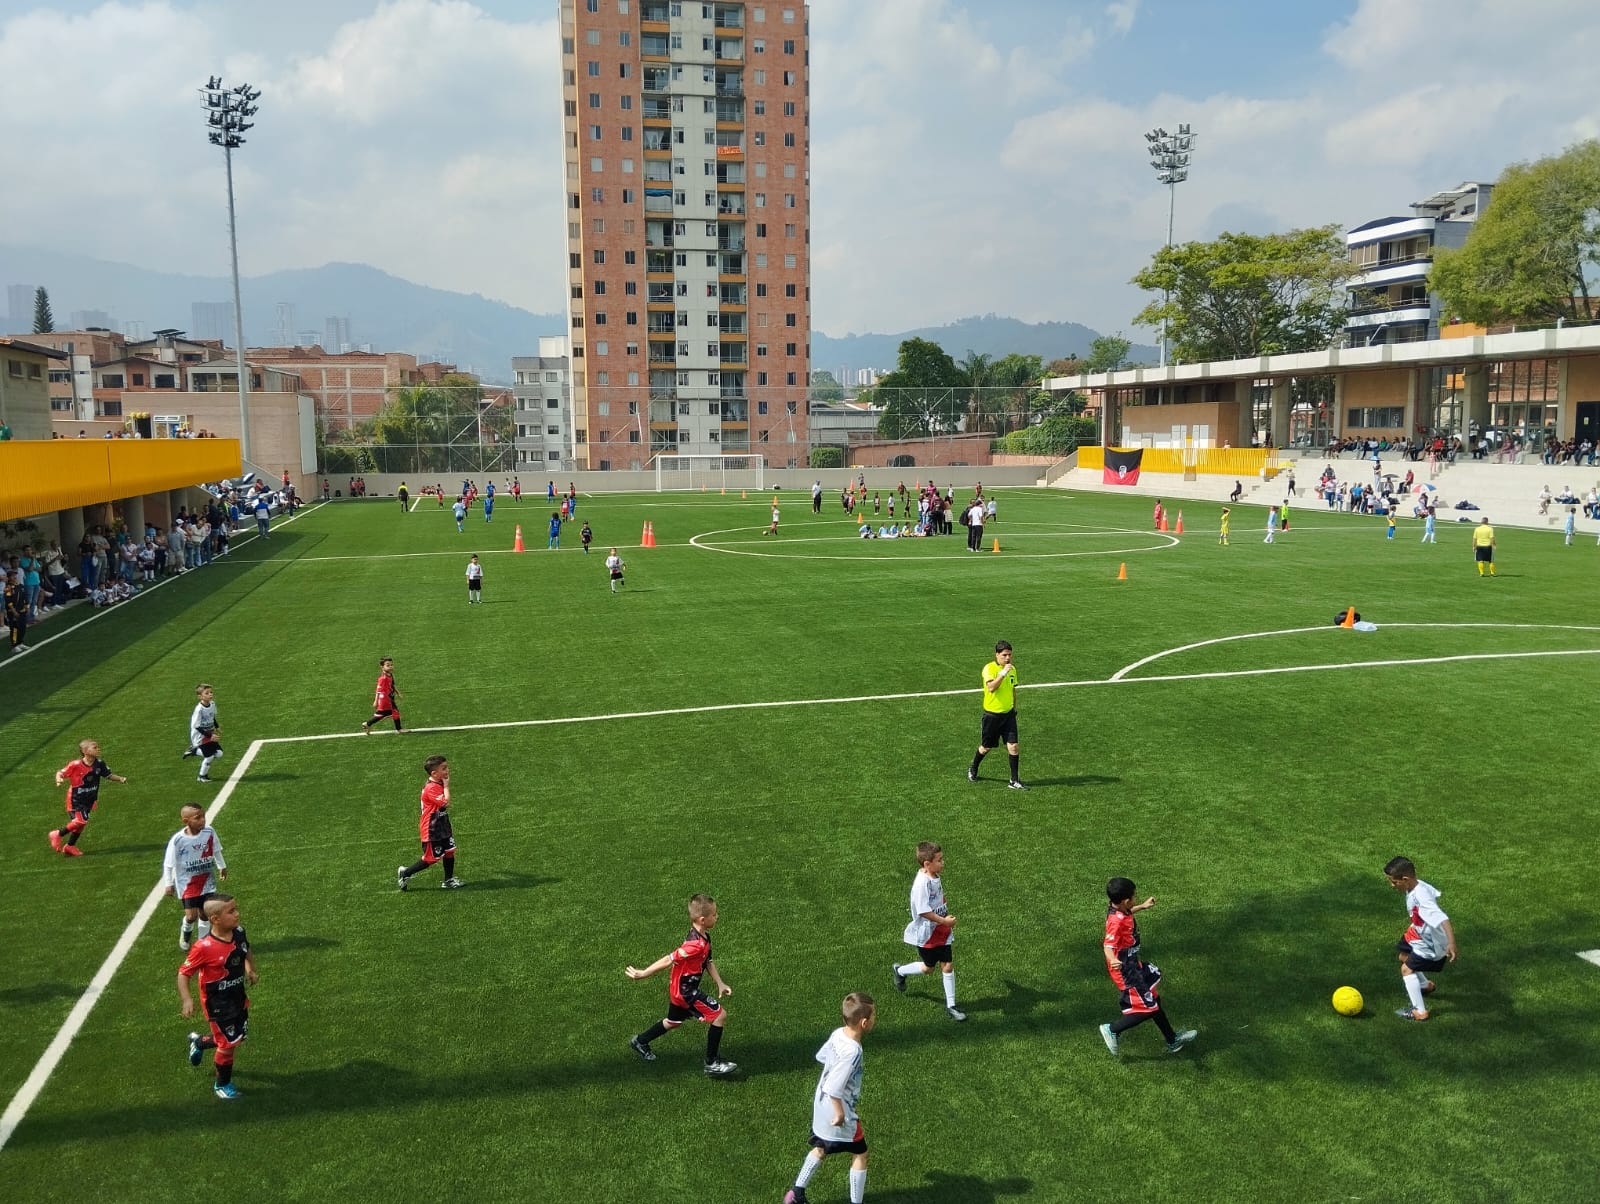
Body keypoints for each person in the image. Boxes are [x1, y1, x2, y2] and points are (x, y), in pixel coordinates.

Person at [625, 893, 737, 1076]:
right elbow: (669, 959)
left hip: (679, 988)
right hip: (685, 992)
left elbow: (707, 962)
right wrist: (643, 973)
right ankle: (711, 1063)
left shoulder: (703, 937)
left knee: (673, 1021)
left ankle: (640, 1041)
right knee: (719, 1016)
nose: (717, 917)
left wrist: (720, 983)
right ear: (703, 919)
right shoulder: (694, 945)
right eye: (714, 914)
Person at [782, 993, 876, 1204]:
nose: (874, 1020)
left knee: (821, 1147)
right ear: (864, 1023)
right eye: (873, 1016)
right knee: (860, 1153)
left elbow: (821, 1056)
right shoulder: (853, 1051)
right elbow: (835, 1087)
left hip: (821, 1103)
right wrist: (841, 1114)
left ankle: (796, 1193)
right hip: (838, 1111)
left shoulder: (838, 1034)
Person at [1097, 877, 1197, 1056]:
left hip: (1133, 964)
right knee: (1147, 1008)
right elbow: (1107, 945)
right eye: (1134, 898)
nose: (1135, 900)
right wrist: (1113, 959)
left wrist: (1142, 906)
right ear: (1125, 900)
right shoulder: (1116, 921)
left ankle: (1172, 1040)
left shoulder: (1120, 909)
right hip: (1125, 970)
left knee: (1154, 1001)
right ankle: (1112, 1029)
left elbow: (1127, 914)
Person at [178, 894, 257, 1099]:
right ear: (215, 919)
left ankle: (199, 1043)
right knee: (228, 1045)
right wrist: (187, 999)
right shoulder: (203, 948)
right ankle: (222, 1084)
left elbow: (245, 950)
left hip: (237, 997)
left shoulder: (238, 932)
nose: (237, 914)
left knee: (235, 1036)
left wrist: (250, 969)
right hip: (217, 1003)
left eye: (236, 909)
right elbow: (183, 973)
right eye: (231, 911)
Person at [891, 841, 966, 1021]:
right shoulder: (921, 885)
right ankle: (900, 971)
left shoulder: (933, 875)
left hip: (941, 929)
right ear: (927, 864)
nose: (943, 863)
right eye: (939, 860)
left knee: (947, 964)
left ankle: (951, 1005)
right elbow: (924, 911)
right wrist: (944, 921)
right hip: (927, 933)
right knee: (928, 968)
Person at [1384, 856, 1457, 1022]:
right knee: (1403, 955)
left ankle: (1420, 1012)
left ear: (1405, 879)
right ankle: (1424, 985)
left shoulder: (1421, 897)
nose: (1392, 886)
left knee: (1406, 969)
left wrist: (1451, 943)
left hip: (1431, 944)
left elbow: (1442, 918)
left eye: (1394, 882)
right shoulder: (1416, 886)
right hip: (1417, 932)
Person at [163, 803, 228, 950]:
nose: (203, 820)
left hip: (207, 881)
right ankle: (186, 931)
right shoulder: (178, 840)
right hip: (187, 884)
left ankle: (202, 943)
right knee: (192, 916)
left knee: (206, 915)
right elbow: (168, 864)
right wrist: (168, 883)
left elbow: (216, 850)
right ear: (186, 821)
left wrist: (222, 866)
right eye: (198, 818)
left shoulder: (209, 832)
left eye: (203, 816)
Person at [49, 739, 128, 856]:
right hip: (75, 799)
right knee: (81, 820)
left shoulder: (99, 763)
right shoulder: (75, 765)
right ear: (85, 751)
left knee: (82, 824)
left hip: (89, 799)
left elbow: (108, 775)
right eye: (95, 747)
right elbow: (60, 773)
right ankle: (58, 834)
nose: (98, 749)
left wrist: (120, 779)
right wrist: (59, 779)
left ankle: (69, 846)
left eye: (98, 747)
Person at [398, 754, 462, 890]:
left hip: (442, 824)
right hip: (431, 828)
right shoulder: (431, 788)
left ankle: (448, 880)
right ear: (434, 773)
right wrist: (446, 786)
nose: (447, 771)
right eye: (444, 768)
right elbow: (446, 802)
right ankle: (405, 873)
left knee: (450, 851)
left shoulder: (437, 783)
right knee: (431, 858)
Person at [968, 640, 1025, 789]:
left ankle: (1014, 780)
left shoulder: (1013, 670)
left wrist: (1014, 708)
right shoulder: (989, 669)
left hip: (1008, 715)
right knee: (986, 747)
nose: (1008, 658)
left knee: (1013, 746)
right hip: (992, 716)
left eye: (1010, 655)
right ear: (997, 654)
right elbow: (992, 687)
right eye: (1005, 655)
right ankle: (973, 767)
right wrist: (1003, 673)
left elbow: (1013, 689)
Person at [182, 683, 225, 784]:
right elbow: (197, 726)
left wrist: (217, 727)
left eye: (211, 692)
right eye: (207, 693)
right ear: (200, 696)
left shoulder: (212, 704)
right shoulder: (199, 710)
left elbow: (212, 716)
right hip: (200, 736)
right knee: (209, 756)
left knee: (219, 754)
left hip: (209, 733)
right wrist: (211, 736)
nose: (210, 694)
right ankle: (202, 776)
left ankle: (194, 751)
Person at [361, 657, 404, 735]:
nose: (390, 666)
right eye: (388, 665)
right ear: (382, 667)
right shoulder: (383, 678)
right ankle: (399, 729)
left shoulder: (390, 674)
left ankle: (367, 724)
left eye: (391, 665)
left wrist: (398, 693)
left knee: (383, 714)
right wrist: (376, 701)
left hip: (389, 697)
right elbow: (378, 690)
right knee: (393, 712)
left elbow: (392, 685)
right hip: (385, 699)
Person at [4, 570, 27, 656]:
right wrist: (13, 611)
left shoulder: (20, 586)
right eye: (13, 576)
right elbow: (8, 601)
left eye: (15, 575)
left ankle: (20, 642)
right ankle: (14, 645)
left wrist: (26, 606)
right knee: (14, 628)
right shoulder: (8, 588)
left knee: (22, 627)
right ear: (9, 577)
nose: (15, 577)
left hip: (22, 611)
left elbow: (24, 597)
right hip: (13, 612)